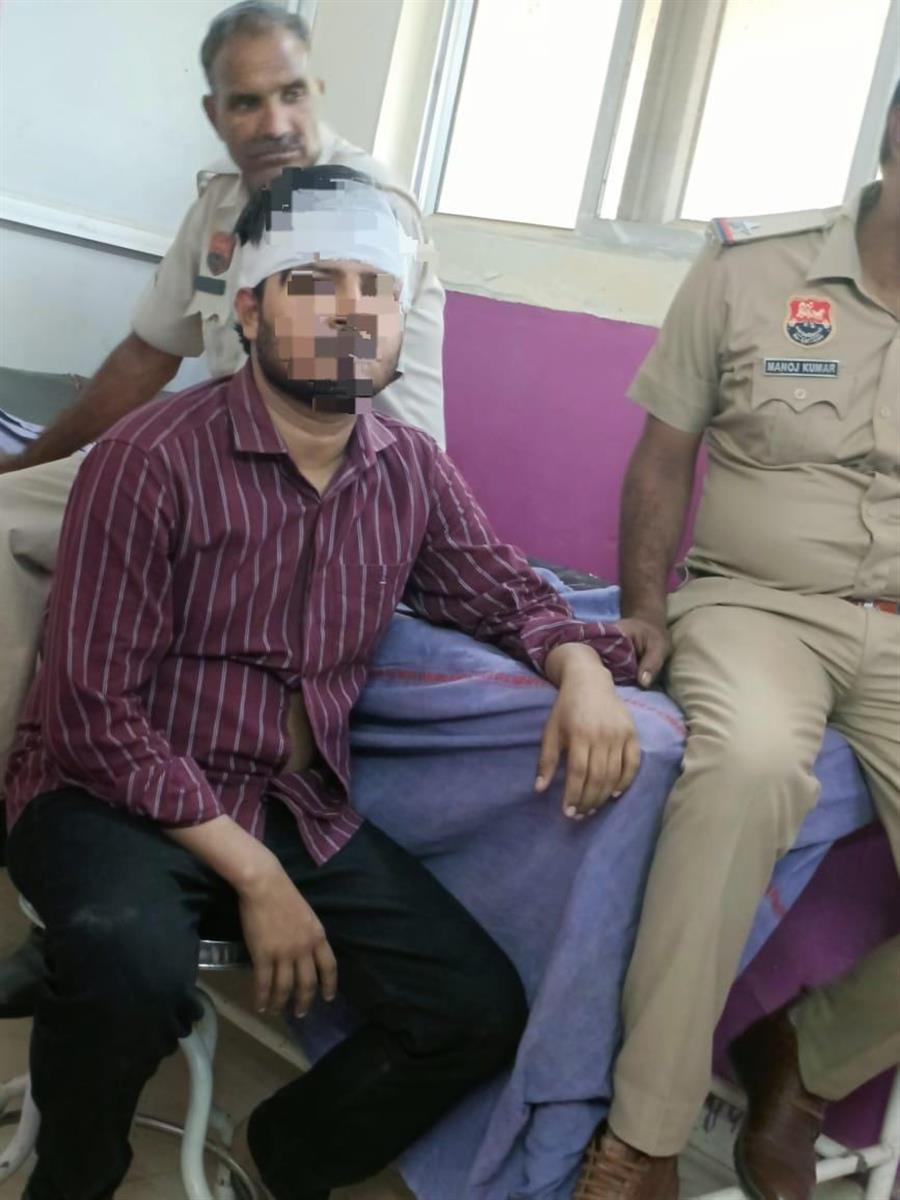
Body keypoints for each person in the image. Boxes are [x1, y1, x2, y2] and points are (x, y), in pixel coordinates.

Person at [4, 164, 640, 1200]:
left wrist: (581, 671)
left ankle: (281, 1159)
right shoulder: (149, 459)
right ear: (251, 310)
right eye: (315, 282)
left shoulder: (408, 468)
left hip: (286, 801)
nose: (353, 309)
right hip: (109, 796)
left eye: (375, 287)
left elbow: (503, 592)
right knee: (129, 963)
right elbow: (91, 718)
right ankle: (73, 1180)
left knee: (471, 1012)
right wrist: (258, 877)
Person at [574, 82, 900, 1200]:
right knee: (748, 770)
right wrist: (643, 608)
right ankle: (644, 1136)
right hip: (758, 607)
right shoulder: (752, 267)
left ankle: (806, 1057)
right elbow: (663, 454)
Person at [0, 0, 445, 784]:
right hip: (209, 458)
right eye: (247, 102)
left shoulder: (366, 207)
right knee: (6, 520)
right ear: (215, 114)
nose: (275, 123)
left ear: (317, 91)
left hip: (332, 485)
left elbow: (356, 408)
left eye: (292, 94)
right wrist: (30, 461)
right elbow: (148, 355)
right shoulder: (221, 203)